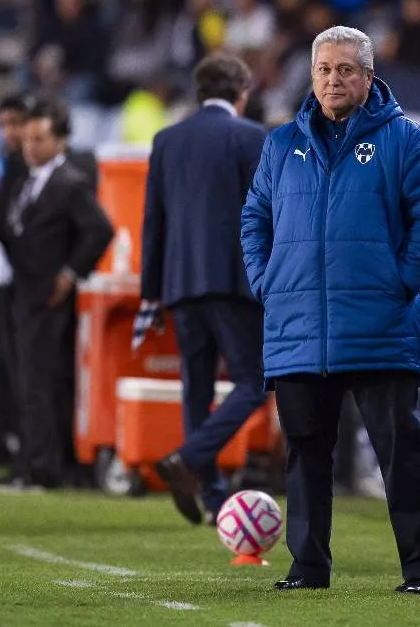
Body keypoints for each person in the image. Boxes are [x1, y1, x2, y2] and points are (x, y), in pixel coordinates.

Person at [241, 25, 420, 595]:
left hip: (378, 322)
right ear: (312, 76)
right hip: (297, 324)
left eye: (345, 70)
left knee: (398, 451)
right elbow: (254, 219)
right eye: (324, 70)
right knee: (306, 454)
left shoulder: (405, 140)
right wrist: (266, 280)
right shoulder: (281, 143)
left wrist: (400, 282)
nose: (333, 79)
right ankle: (307, 568)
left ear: (368, 76)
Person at [138, 53, 268, 525]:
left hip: (179, 282)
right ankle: (191, 458)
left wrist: (151, 290)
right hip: (235, 282)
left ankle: (213, 498)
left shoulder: (168, 139)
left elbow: (154, 220)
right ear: (243, 91)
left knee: (195, 386)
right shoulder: (252, 137)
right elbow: (264, 214)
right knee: (255, 380)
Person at [0, 98, 114, 492]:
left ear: (61, 141)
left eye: (39, 139)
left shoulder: (68, 183)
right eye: (27, 139)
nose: (29, 146)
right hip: (20, 292)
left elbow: (100, 229)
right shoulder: (30, 178)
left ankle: (42, 469)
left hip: (45, 298)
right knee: (25, 383)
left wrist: (70, 272)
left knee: (38, 385)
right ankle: (32, 463)